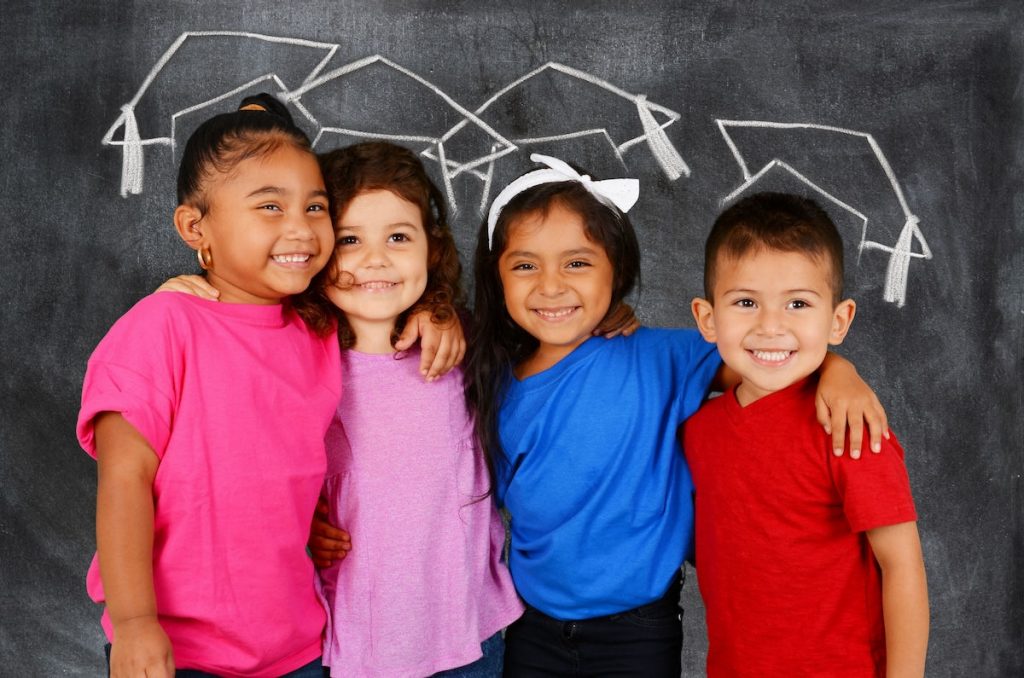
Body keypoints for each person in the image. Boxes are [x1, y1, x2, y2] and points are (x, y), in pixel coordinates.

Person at [462, 154, 890, 676]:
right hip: (532, 629)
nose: (551, 286)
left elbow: (766, 357)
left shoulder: (662, 358)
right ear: (497, 276)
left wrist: (839, 370)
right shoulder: (492, 381)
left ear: (614, 270)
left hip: (638, 632)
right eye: (525, 265)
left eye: (578, 262)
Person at [77, 94, 338, 677]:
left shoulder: (320, 331)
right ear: (197, 226)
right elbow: (124, 481)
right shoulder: (162, 325)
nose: (300, 227)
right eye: (270, 206)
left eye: (315, 206)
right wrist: (136, 622)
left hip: (296, 647)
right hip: (177, 651)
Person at [684, 192, 928, 676]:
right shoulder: (699, 432)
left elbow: (902, 566)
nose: (771, 326)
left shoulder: (852, 428)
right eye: (746, 302)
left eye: (797, 303)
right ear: (707, 319)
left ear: (838, 320)